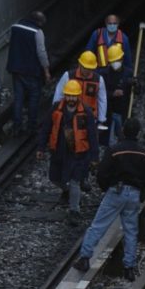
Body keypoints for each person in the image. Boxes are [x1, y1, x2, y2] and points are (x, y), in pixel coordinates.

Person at [72, 118, 145, 281]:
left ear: (123, 130)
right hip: (134, 194)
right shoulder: (144, 152)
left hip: (116, 191)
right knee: (131, 230)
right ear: (138, 132)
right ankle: (129, 267)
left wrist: (107, 188)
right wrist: (143, 191)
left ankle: (85, 258)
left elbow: (102, 173)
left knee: (98, 226)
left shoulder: (115, 150)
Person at [37, 80, 99, 225]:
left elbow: (92, 135)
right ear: (65, 95)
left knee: (75, 181)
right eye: (69, 95)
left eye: (74, 96)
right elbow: (46, 128)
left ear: (78, 96)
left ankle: (74, 211)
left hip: (78, 154)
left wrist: (94, 157)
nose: (71, 99)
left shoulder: (86, 112)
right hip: (59, 151)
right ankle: (67, 191)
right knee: (54, 177)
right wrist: (41, 148)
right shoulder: (56, 109)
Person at [6, 11, 51, 135]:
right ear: (39, 22)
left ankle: (17, 127)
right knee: (33, 98)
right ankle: (32, 126)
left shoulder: (15, 27)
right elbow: (41, 53)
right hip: (31, 71)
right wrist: (46, 71)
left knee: (18, 98)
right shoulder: (37, 32)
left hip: (16, 69)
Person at [53, 51, 108, 127]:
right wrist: (56, 113)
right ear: (80, 64)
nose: (87, 70)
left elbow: (102, 100)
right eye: (85, 68)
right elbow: (58, 95)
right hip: (70, 116)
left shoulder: (99, 80)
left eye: (90, 68)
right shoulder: (68, 76)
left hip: (90, 118)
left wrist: (101, 119)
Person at [98, 43, 132, 146]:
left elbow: (135, 92)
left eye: (117, 60)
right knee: (110, 140)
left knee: (122, 136)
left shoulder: (128, 73)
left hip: (122, 111)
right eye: (113, 61)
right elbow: (100, 93)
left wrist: (136, 84)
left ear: (122, 59)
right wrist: (112, 94)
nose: (115, 63)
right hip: (109, 111)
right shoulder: (104, 74)